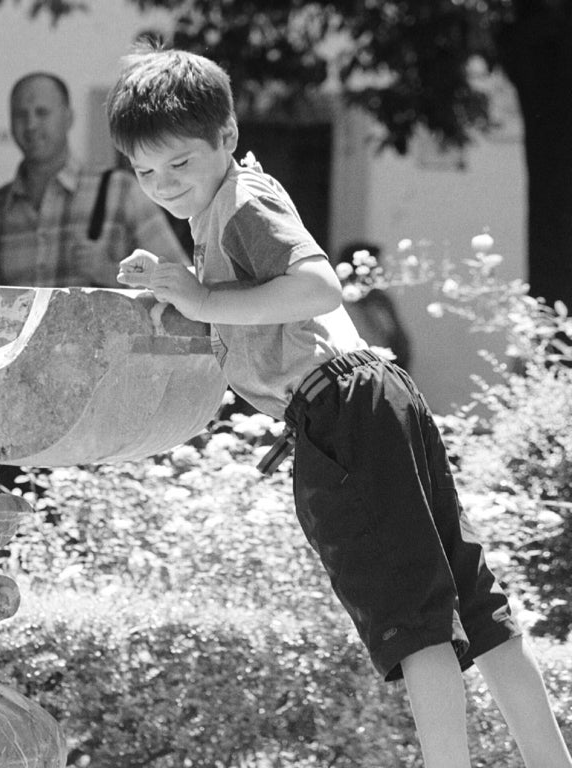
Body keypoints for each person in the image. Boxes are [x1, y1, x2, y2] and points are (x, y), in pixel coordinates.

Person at [109, 46, 571, 767]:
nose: (165, 186)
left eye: (180, 163)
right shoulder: (223, 208)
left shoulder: (239, 201)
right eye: (146, 172)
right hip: (374, 396)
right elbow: (261, 313)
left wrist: (198, 298)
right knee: (473, 607)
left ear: (227, 138)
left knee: (413, 623)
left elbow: (319, 287)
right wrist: (189, 297)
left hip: (341, 413)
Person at [0, 71, 187, 288]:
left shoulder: (122, 192)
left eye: (42, 112)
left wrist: (110, 273)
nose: (31, 124)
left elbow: (181, 284)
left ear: (68, 118)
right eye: (21, 114)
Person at [335, 241, 412, 371]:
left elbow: (399, 342)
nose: (380, 271)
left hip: (383, 371)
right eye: (375, 266)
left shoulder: (381, 301)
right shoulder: (337, 302)